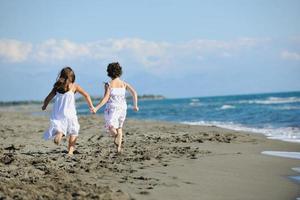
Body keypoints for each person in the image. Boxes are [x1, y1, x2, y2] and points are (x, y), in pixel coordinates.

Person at [42, 67, 94, 155]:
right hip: (70, 113)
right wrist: (91, 106)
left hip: (58, 113)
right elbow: (86, 95)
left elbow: (48, 98)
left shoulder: (57, 87)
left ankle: (60, 133)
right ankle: (70, 151)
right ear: (72, 77)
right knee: (74, 130)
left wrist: (44, 106)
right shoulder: (74, 86)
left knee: (60, 126)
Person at [94, 62, 139, 153]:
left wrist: (97, 107)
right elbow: (134, 93)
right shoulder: (124, 84)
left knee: (110, 126)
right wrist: (135, 106)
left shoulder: (109, 84)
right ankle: (118, 148)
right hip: (123, 108)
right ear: (120, 72)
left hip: (112, 108)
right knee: (119, 128)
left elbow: (106, 98)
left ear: (109, 73)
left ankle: (117, 137)